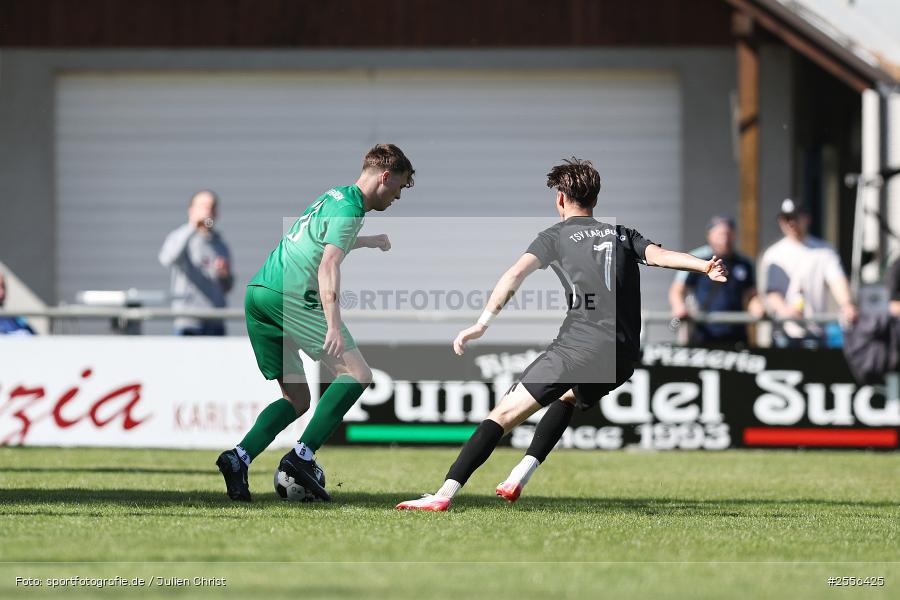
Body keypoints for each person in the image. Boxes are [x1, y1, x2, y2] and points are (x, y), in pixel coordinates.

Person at [396, 158, 727, 511]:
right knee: (567, 397)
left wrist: (482, 323)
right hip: (624, 352)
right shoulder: (622, 234)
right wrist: (703, 265)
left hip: (579, 345)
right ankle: (520, 473)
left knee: (502, 415)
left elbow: (513, 276)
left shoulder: (554, 236)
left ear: (560, 198)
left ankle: (441, 496)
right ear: (595, 200)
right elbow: (660, 257)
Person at [216, 144, 413, 502]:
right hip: (290, 296)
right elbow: (327, 265)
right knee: (357, 374)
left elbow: (320, 243)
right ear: (385, 176)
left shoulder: (334, 196)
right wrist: (333, 324)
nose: (398, 196)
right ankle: (301, 458)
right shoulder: (352, 208)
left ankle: (238, 458)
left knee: (296, 398)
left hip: (260, 293)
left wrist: (368, 242)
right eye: (399, 187)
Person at [758, 199, 857, 348]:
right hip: (783, 333)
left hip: (815, 331)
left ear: (806, 219)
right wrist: (784, 310)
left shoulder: (824, 251)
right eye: (786, 219)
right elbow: (771, 291)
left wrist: (847, 304)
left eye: (795, 218)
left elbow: (837, 280)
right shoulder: (773, 254)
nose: (791, 223)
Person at [668, 215, 763, 348]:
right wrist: (679, 307)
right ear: (709, 235)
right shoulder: (697, 259)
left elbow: (752, 294)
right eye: (720, 234)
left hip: (736, 334)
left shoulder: (744, 263)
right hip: (703, 333)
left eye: (728, 234)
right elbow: (677, 290)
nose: (725, 239)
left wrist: (758, 307)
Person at [158, 190, 234, 336]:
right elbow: (167, 259)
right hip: (189, 322)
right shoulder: (180, 237)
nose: (208, 211)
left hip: (215, 321)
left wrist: (224, 275)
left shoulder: (220, 244)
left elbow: (227, 286)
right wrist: (193, 227)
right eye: (203, 206)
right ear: (191, 210)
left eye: (211, 207)